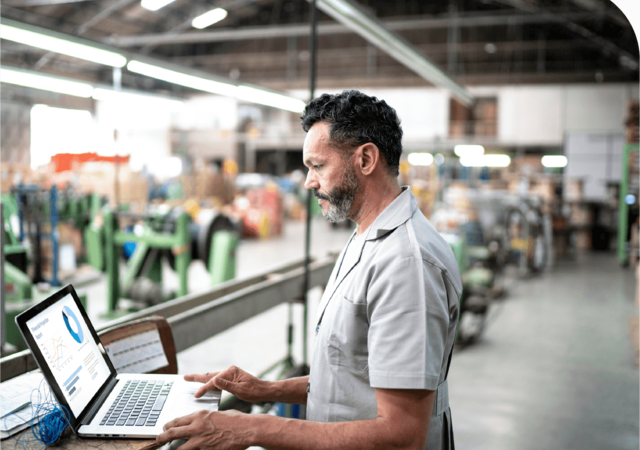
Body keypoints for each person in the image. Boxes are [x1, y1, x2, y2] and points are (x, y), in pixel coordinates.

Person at [156, 90, 462, 450]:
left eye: (318, 166)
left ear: (366, 159)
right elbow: (351, 378)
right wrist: (265, 390)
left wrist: (253, 429)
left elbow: (402, 436)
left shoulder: (405, 264)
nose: (308, 182)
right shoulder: (368, 235)